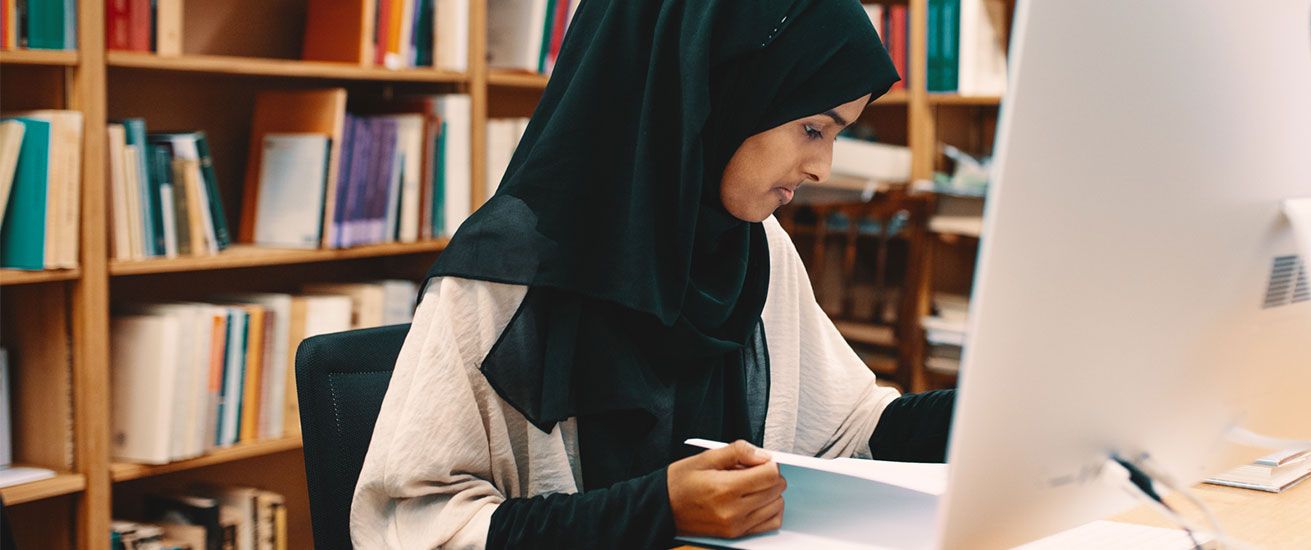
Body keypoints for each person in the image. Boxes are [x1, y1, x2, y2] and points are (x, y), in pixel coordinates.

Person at [350, 0, 955, 547]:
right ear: (721, 91)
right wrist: (657, 511)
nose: (823, 166)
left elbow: (848, 431)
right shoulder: (508, 272)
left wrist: (990, 411)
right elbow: (414, 526)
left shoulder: (753, 247)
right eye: (813, 128)